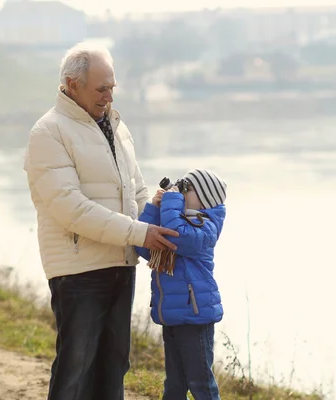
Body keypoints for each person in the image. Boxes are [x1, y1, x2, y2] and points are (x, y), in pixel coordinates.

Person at [23, 42, 179, 400]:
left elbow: (136, 189)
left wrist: (159, 216)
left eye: (112, 87)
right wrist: (140, 231)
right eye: (101, 89)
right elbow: (71, 208)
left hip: (121, 264)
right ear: (71, 84)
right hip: (79, 273)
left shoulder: (116, 127)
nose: (109, 96)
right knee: (76, 370)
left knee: (114, 367)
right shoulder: (48, 133)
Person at [135, 169, 227, 400]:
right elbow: (143, 246)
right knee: (174, 385)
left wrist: (172, 200)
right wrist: (154, 208)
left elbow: (177, 234)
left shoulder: (204, 227)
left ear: (204, 198)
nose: (181, 193)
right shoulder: (175, 219)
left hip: (195, 317)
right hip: (172, 316)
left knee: (201, 384)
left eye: (187, 189)